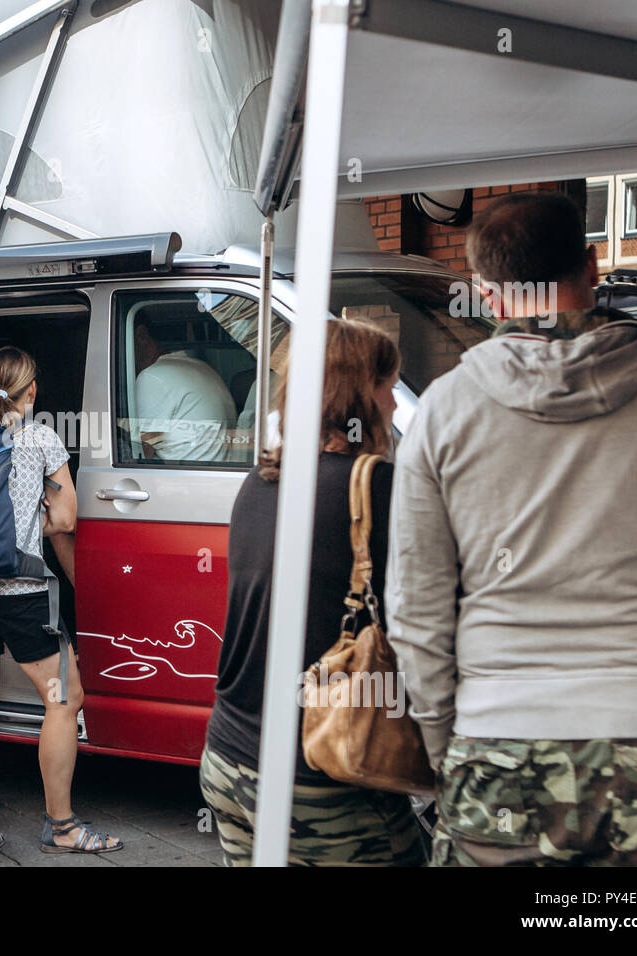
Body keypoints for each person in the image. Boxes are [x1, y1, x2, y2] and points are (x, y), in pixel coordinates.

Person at [387, 191, 637, 866]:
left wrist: (456, 746)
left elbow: (415, 614)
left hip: (502, 738)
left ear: (487, 294)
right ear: (592, 266)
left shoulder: (441, 413)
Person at [200, 320, 423, 867]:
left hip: (228, 758)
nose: (395, 405)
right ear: (357, 395)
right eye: (388, 387)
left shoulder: (262, 481)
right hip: (322, 771)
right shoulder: (376, 487)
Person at [0, 346, 122, 858]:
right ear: (32, 390)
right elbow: (65, 520)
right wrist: (32, 523)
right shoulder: (40, 436)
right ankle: (61, 826)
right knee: (64, 699)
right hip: (19, 592)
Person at [133, 318, 237, 462]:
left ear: (141, 336)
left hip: (184, 478)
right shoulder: (202, 367)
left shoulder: (152, 377)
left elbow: (142, 453)